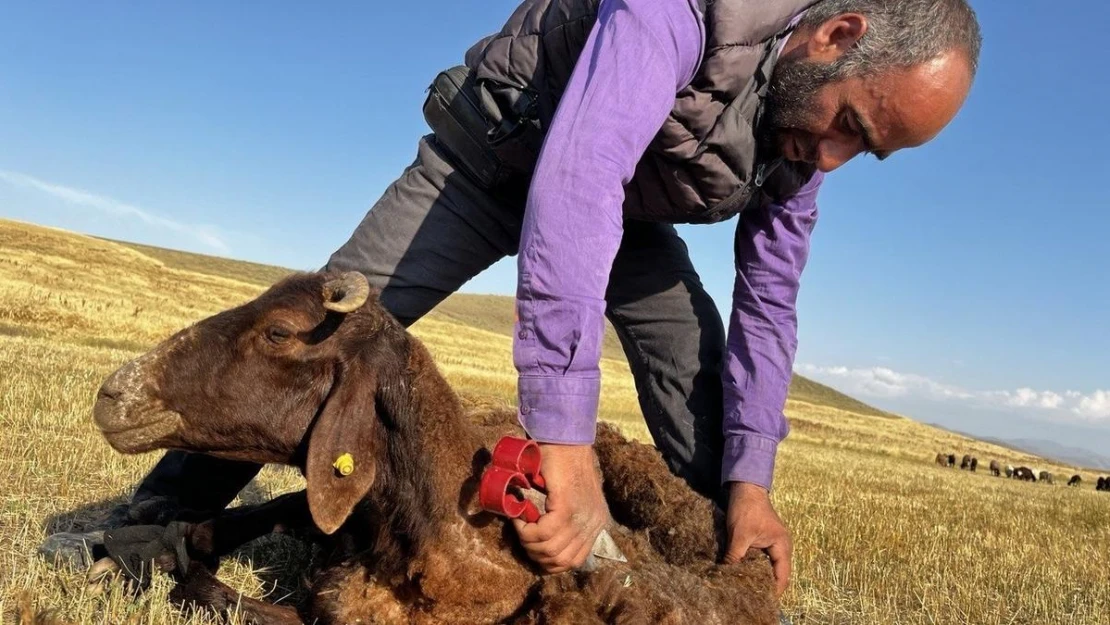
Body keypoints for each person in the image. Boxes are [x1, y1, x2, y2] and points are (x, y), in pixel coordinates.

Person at [42, 0, 981, 599]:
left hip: (625, 213)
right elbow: (575, 180)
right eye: (849, 126)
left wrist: (753, 487)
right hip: (494, 158)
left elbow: (769, 306)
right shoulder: (685, 8)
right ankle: (153, 518)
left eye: (867, 152)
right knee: (318, 340)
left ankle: (678, 585)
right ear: (838, 34)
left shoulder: (801, 142)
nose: (830, 159)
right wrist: (563, 445)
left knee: (702, 392)